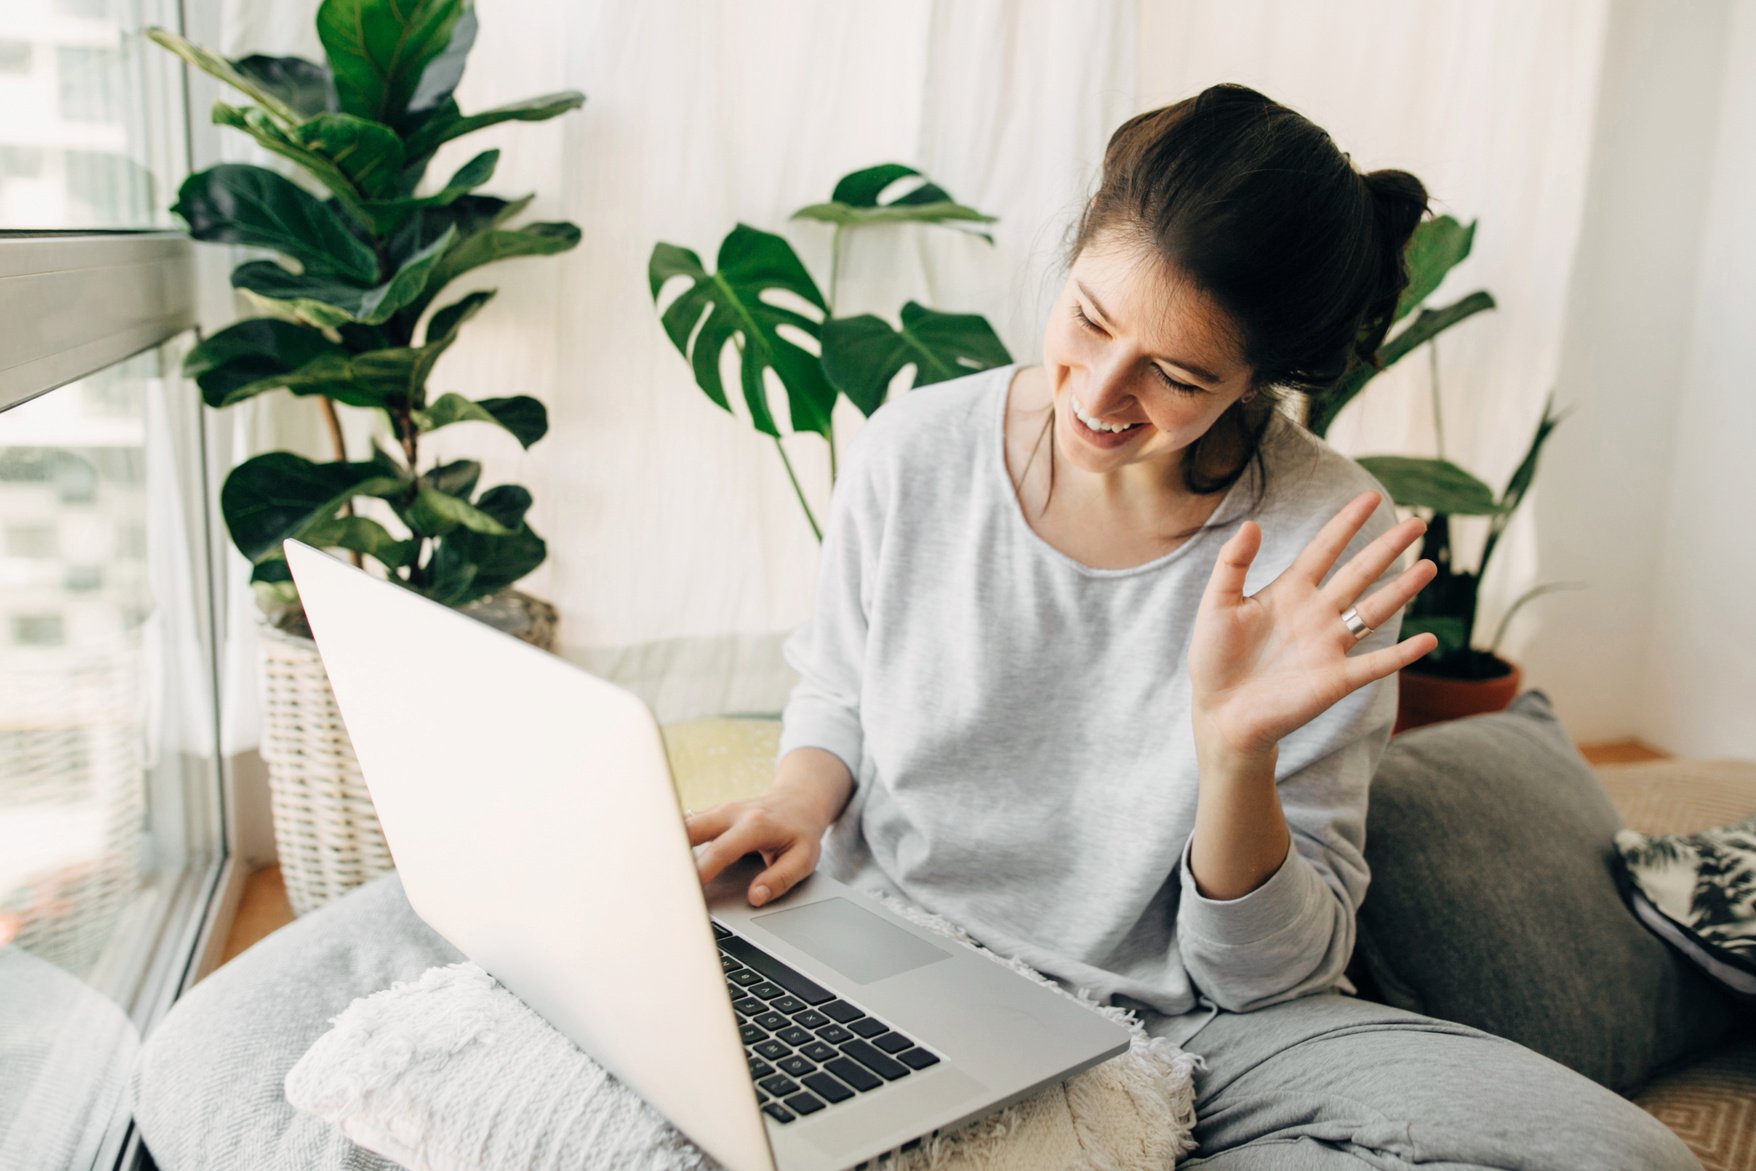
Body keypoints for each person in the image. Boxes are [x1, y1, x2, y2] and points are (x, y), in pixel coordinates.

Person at [686, 83, 1698, 1170]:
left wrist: (1236, 751)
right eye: (1087, 316)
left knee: (1610, 1154)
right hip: (901, 941)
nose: (1100, 395)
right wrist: (799, 796)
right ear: (1072, 253)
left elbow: (1269, 976)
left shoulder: (1326, 546)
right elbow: (838, 682)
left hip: (1185, 1024)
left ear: (1263, 377)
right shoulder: (913, 449)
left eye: (1177, 375)